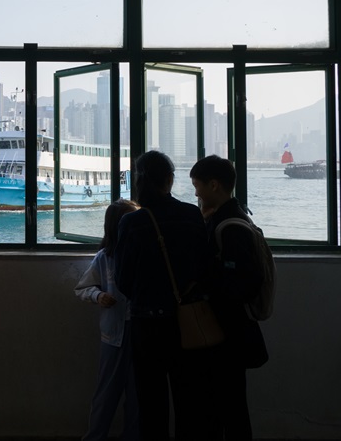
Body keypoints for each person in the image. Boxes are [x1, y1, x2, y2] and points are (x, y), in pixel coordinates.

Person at [114, 150, 212, 440]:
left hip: (147, 324)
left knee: (151, 404)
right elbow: (205, 269)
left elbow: (123, 280)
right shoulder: (192, 214)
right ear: (169, 180)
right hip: (187, 322)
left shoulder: (131, 223)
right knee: (189, 403)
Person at [189, 155, 268, 441]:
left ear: (214, 185)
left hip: (226, 332)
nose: (196, 193)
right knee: (225, 403)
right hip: (227, 330)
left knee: (228, 405)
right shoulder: (225, 217)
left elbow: (245, 281)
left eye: (198, 186)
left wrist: (210, 288)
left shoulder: (231, 226)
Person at [75, 198, 140, 441]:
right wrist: (98, 295)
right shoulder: (105, 257)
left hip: (138, 331)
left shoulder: (142, 254)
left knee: (138, 396)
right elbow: (82, 288)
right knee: (106, 394)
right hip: (113, 336)